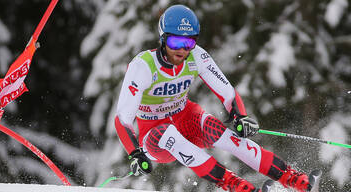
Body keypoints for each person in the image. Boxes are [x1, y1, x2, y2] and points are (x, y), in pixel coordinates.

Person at [114, 4, 313, 192]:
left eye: (189, 42)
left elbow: (227, 92)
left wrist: (240, 116)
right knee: (169, 135)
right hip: (154, 136)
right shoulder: (143, 66)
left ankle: (295, 180)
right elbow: (123, 118)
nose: (182, 50)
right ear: (163, 38)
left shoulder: (197, 56)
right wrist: (135, 154)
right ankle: (238, 186)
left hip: (186, 118)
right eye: (176, 42)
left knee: (227, 136)